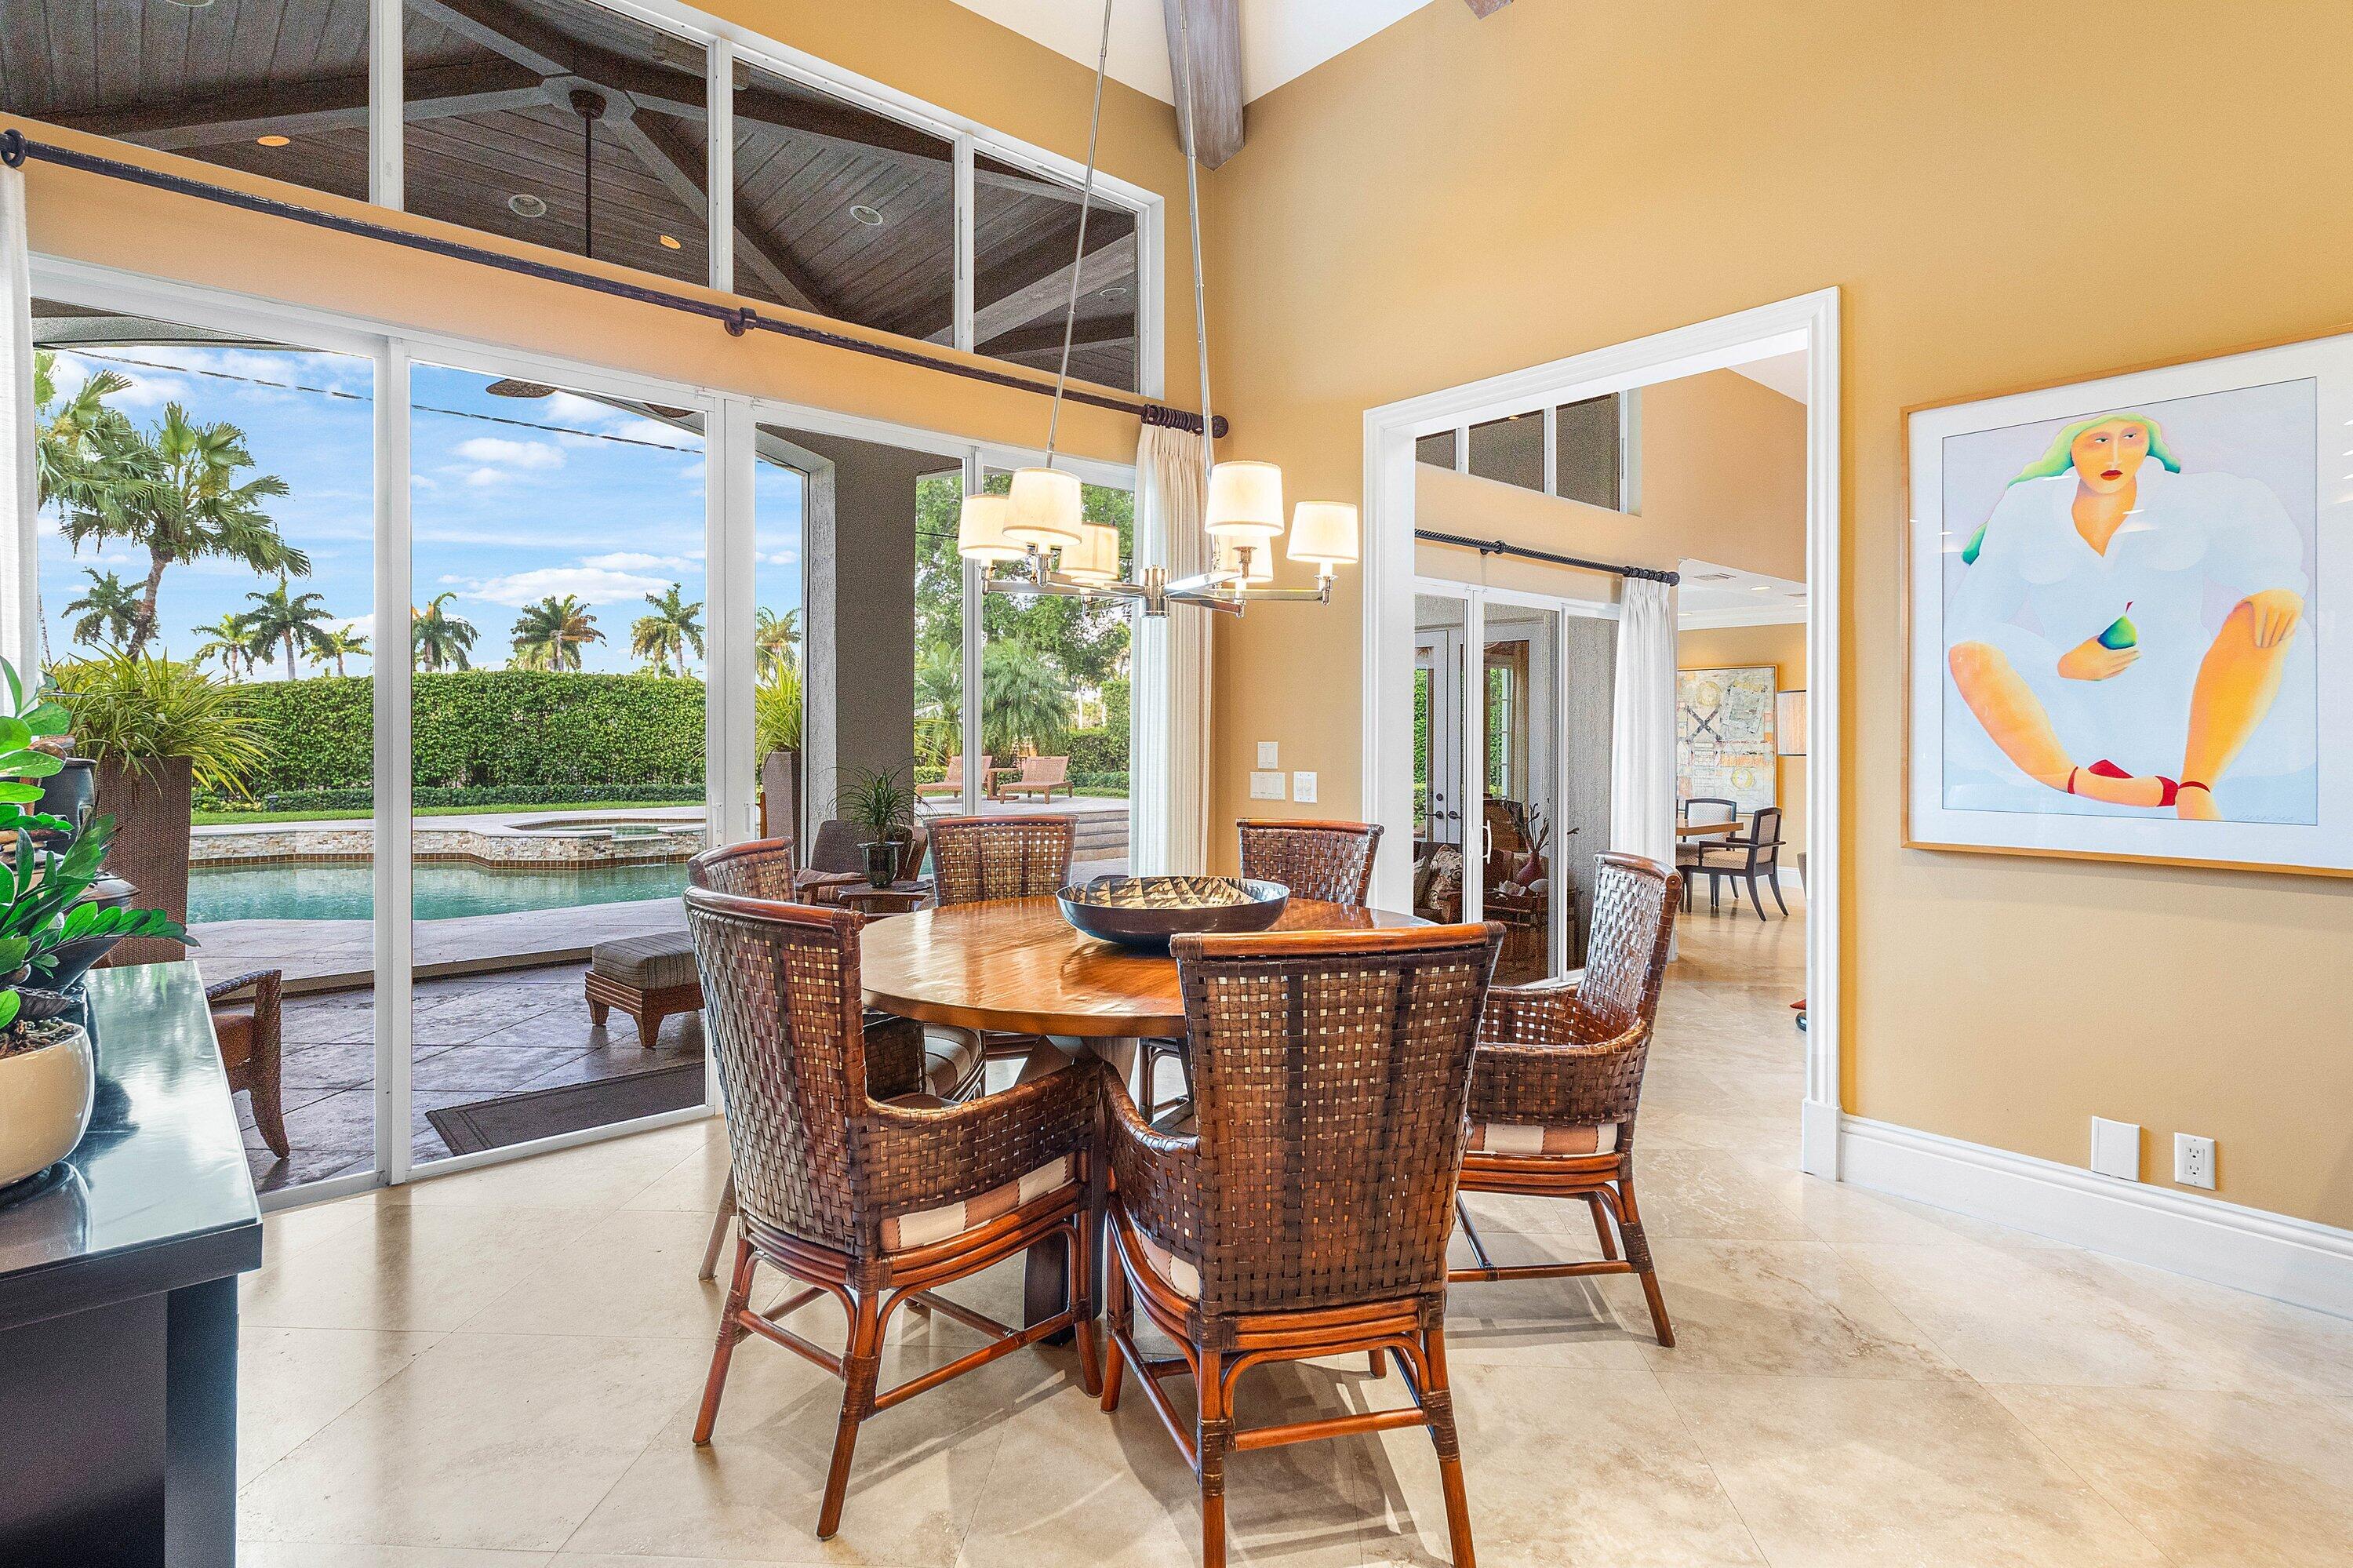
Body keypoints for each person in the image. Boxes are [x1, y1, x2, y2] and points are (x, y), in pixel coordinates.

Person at [1944, 411, 2311, 820]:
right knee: (1968, 652)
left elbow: (2267, 562)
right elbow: (1970, 620)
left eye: (2131, 436)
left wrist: (2278, 585)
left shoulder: (2199, 497)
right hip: (2069, 705)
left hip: (2189, 700)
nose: (2115, 454)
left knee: (2269, 615)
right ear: (2070, 447)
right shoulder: (2026, 509)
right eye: (2098, 441)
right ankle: (2077, 780)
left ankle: (2196, 787)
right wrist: (2060, 664)